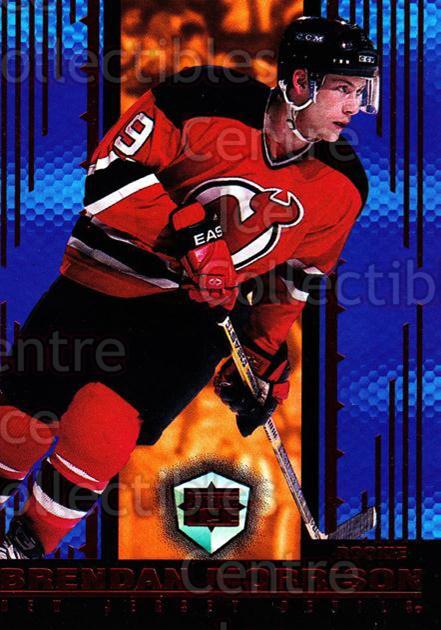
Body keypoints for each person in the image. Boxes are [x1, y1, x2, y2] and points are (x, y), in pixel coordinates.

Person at [0, 16, 379, 559]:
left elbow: (294, 279)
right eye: (344, 89)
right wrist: (194, 235)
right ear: (300, 83)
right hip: (102, 276)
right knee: (21, 421)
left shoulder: (344, 185)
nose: (356, 106)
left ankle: (22, 549)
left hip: (194, 314)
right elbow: (107, 175)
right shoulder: (199, 97)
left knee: (104, 427)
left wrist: (262, 351)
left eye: (363, 91)